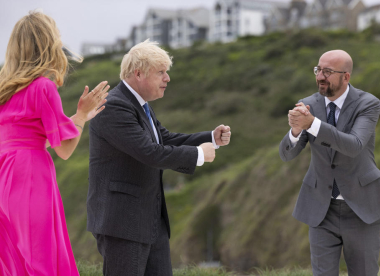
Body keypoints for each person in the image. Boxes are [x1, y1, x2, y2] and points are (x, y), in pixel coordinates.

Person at [87, 39, 231, 276]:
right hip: (123, 224)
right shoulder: (114, 106)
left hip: (150, 222)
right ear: (139, 74)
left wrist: (211, 138)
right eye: (161, 72)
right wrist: (198, 154)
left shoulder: (139, 104)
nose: (168, 78)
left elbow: (164, 139)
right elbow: (149, 152)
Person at [0, 11, 109, 276]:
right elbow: (65, 149)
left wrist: (73, 120)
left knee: (12, 258)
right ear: (48, 44)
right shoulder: (42, 87)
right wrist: (82, 115)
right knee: (40, 256)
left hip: (4, 174)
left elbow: (26, 137)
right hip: (31, 176)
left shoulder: (4, 89)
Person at [279, 50, 380, 276]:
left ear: (346, 77)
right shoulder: (308, 105)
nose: (320, 76)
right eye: (318, 70)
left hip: (361, 207)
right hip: (320, 208)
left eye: (328, 71)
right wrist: (296, 130)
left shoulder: (368, 103)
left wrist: (312, 124)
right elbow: (286, 155)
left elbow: (354, 145)